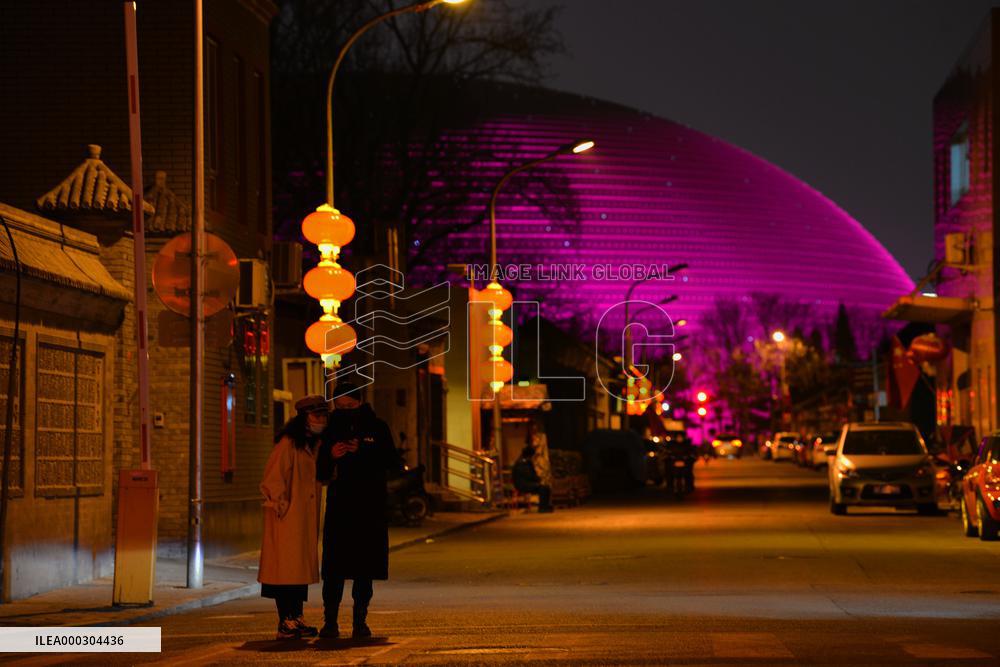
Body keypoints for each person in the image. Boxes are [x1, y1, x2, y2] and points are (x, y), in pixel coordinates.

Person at [316, 381, 402, 639]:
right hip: (340, 506)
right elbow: (319, 471)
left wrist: (363, 450)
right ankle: (330, 621)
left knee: (364, 569)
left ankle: (359, 621)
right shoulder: (329, 430)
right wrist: (331, 455)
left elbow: (392, 462)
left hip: (369, 507)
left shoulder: (377, 427)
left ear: (360, 402)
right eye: (339, 406)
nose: (344, 410)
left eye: (350, 406)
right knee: (334, 568)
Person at [258, 395, 326, 640]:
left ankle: (296, 617)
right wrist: (280, 503)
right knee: (285, 571)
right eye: (316, 416)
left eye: (322, 416)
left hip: (302, 519)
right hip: (286, 518)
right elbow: (272, 478)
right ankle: (286, 619)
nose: (320, 420)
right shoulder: (288, 444)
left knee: (298, 571)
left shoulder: (313, 445)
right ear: (304, 418)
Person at [511, 444, 554, 512]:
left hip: (527, 483)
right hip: (522, 484)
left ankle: (545, 506)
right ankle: (542, 507)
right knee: (543, 488)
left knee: (546, 487)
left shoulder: (525, 462)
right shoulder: (522, 463)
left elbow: (532, 475)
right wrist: (538, 480)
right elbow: (529, 475)